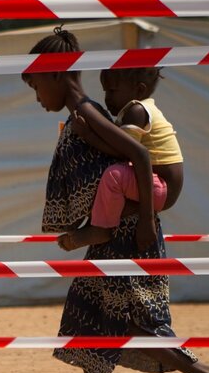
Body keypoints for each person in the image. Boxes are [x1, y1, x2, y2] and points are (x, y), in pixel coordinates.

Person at [23, 27, 209, 373]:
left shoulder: (90, 113)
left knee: (130, 323)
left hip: (127, 236)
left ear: (57, 74)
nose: (37, 96)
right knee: (85, 316)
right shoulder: (86, 113)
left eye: (37, 85)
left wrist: (145, 221)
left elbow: (139, 157)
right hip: (109, 233)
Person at [56, 66, 183, 252]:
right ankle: (104, 219)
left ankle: (100, 228)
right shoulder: (138, 109)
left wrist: (87, 135)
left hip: (161, 188)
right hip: (159, 186)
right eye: (105, 91)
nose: (107, 98)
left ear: (139, 90)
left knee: (114, 175)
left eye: (112, 91)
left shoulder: (137, 111)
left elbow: (122, 152)